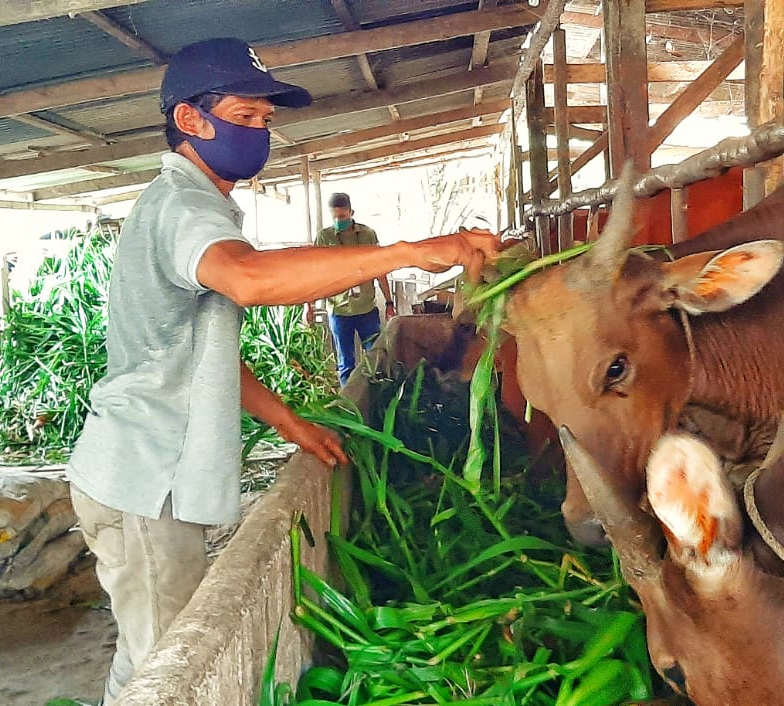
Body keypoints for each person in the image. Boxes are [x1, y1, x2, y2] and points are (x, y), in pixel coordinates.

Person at [64, 37, 500, 704]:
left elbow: (205, 356)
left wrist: (289, 421)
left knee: (156, 650)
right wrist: (407, 251)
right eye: (245, 117)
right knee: (158, 666)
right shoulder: (181, 206)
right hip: (141, 482)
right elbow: (246, 280)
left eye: (265, 121)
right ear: (190, 120)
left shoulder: (200, 204)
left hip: (148, 476)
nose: (259, 134)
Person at [315, 192, 393, 385]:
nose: (337, 220)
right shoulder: (324, 237)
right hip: (339, 311)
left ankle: (375, 399)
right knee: (345, 364)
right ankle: (349, 408)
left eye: (342, 216)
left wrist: (389, 302)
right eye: (334, 217)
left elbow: (380, 270)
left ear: (351, 212)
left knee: (375, 360)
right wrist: (309, 306)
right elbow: (314, 273)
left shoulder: (368, 235)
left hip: (367, 309)